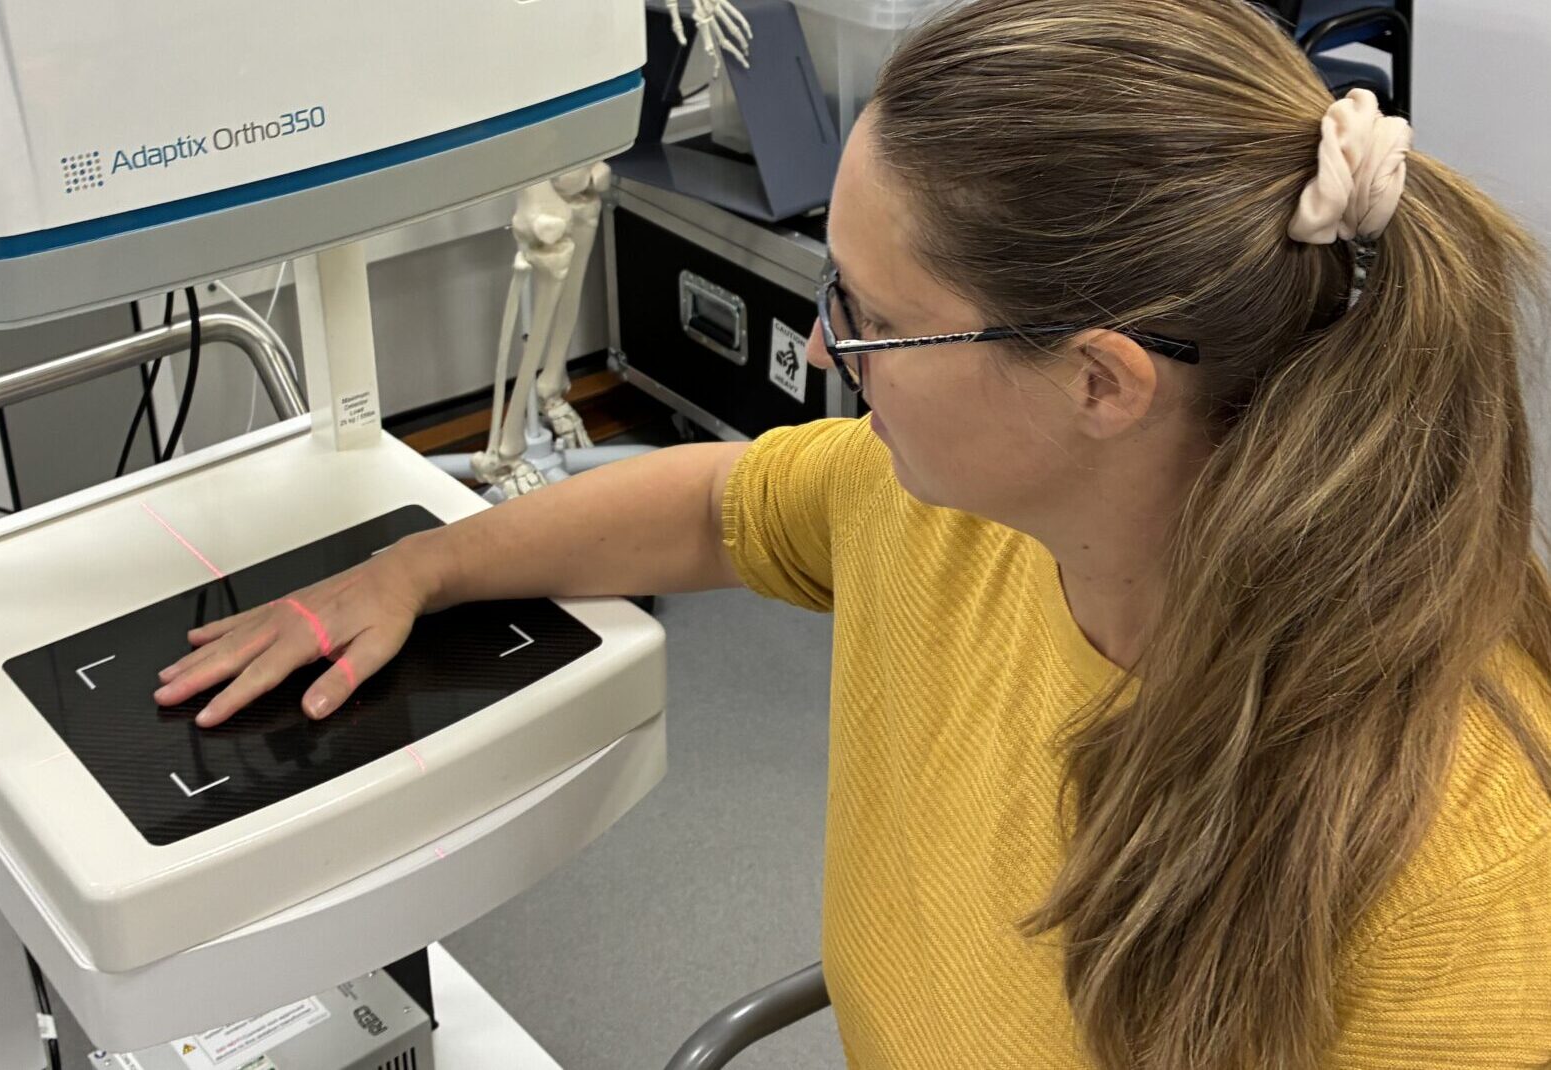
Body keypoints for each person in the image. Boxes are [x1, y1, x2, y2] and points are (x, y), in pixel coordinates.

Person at [152, 0, 1551, 1066]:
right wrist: (418, 563)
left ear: (1102, 381)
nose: (824, 347)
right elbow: (713, 502)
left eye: (872, 315)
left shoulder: (1454, 887)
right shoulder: (952, 507)